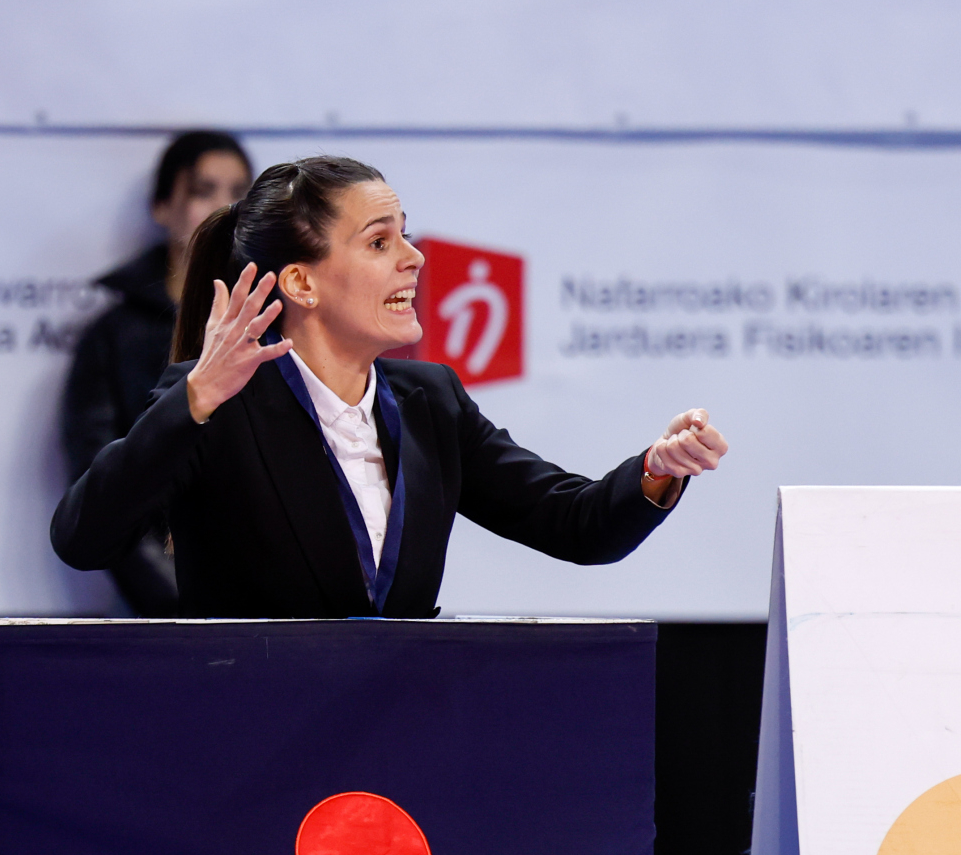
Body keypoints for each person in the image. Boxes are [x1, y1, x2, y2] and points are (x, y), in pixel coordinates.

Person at [51, 156, 728, 618]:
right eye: (380, 243)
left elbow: (575, 524)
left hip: (398, 742)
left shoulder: (430, 400)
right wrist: (194, 401)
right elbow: (83, 539)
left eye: (405, 235)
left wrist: (656, 470)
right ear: (302, 282)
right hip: (251, 746)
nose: (415, 257)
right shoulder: (215, 400)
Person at [60, 130, 253, 614]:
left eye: (239, 193)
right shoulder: (112, 337)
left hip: (276, 606)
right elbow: (102, 490)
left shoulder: (280, 322)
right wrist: (183, 606)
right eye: (204, 191)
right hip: (164, 614)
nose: (224, 208)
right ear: (163, 207)